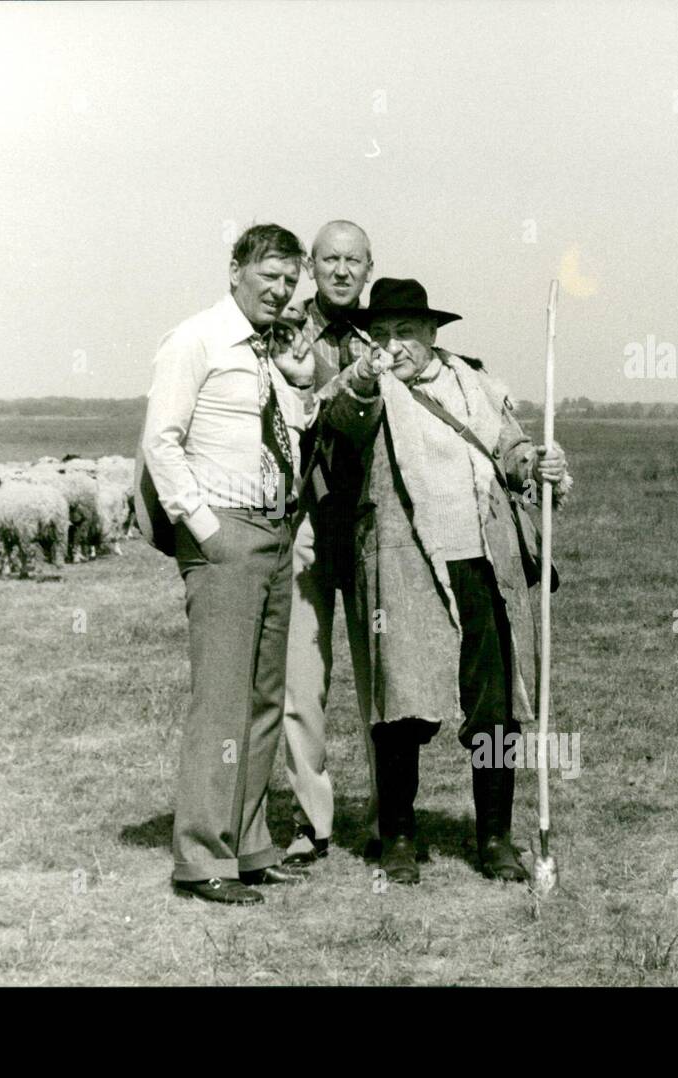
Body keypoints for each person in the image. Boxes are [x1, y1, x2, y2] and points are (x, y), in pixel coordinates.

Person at [324, 277, 570, 884]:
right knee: (401, 705)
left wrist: (536, 463)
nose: (393, 346)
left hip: (484, 562)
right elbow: (342, 422)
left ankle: (495, 838)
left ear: (433, 335)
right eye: (380, 334)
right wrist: (361, 378)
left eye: (406, 333)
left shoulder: (474, 383)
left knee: (496, 710)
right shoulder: (363, 387)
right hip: (402, 566)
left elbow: (509, 449)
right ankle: (399, 837)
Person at [140, 223, 318, 905]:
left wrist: (306, 391)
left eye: (288, 279)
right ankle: (202, 858)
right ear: (236, 270)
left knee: (264, 699)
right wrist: (207, 531)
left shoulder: (273, 353)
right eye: (268, 276)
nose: (280, 290)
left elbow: (280, 429)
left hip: (274, 531)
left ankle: (248, 845)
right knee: (221, 700)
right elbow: (162, 440)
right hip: (226, 535)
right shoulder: (196, 341)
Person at [277, 220, 382, 865]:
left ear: (370, 268)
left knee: (381, 680)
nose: (341, 271)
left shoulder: (387, 339)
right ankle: (311, 824)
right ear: (311, 267)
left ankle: (384, 818)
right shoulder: (283, 336)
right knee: (301, 682)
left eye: (354, 260)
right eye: (329, 260)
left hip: (373, 529)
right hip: (305, 525)